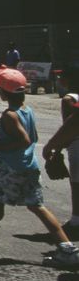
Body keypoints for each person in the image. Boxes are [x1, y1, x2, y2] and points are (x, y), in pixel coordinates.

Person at [0, 67, 78, 266]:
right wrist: (3, 123)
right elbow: (30, 135)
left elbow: (23, 140)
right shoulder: (26, 110)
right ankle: (67, 248)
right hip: (28, 166)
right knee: (37, 206)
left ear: (4, 93)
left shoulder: (10, 115)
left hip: (9, 167)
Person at [40, 69, 78, 233]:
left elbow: (69, 126)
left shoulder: (69, 99)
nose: (59, 78)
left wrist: (53, 146)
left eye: (62, 75)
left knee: (76, 184)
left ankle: (76, 220)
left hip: (76, 145)